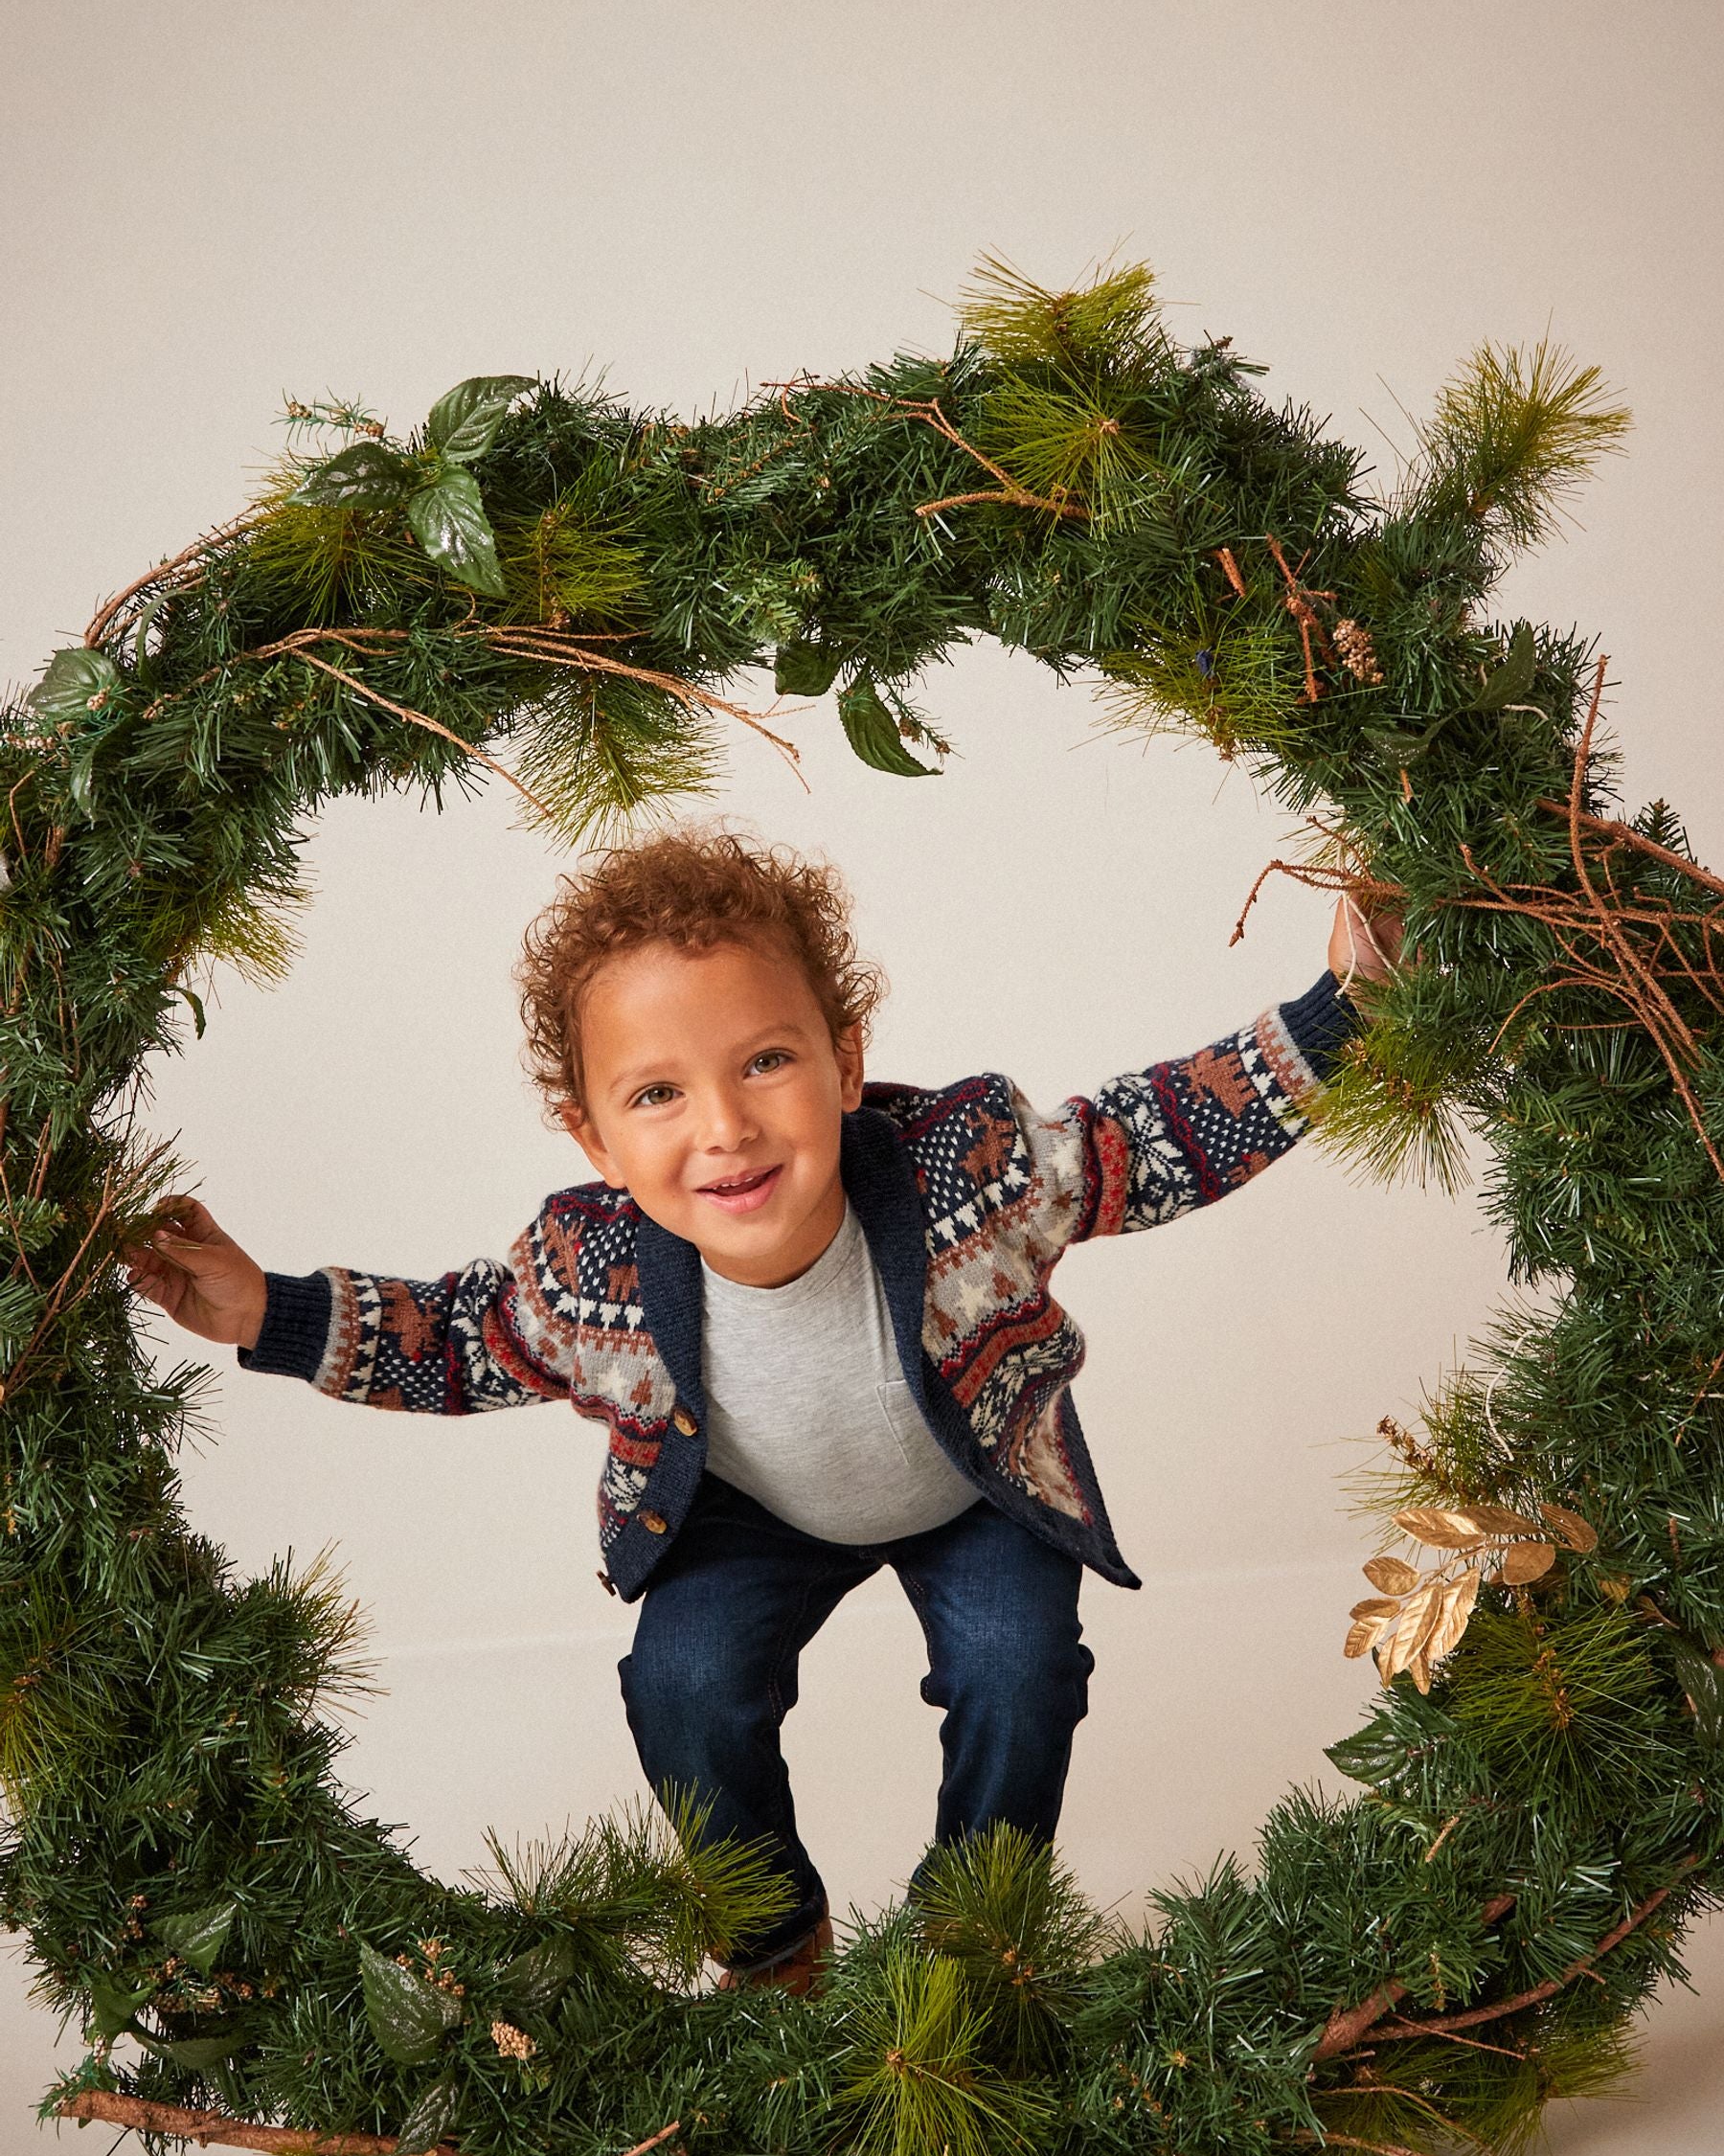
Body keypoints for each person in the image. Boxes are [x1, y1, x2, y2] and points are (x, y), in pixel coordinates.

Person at [125, 827, 1399, 1992]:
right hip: (758, 1511)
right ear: (593, 1137)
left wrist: (1342, 1015)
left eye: (768, 1061)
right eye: (657, 1095)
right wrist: (269, 1316)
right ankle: (776, 1942)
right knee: (682, 1681)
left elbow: (1155, 1133)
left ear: (847, 1061)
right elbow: (464, 1335)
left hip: (972, 1491)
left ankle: (972, 1942)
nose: (726, 1127)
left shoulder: (974, 1170)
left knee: (1020, 1666)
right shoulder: (592, 1272)